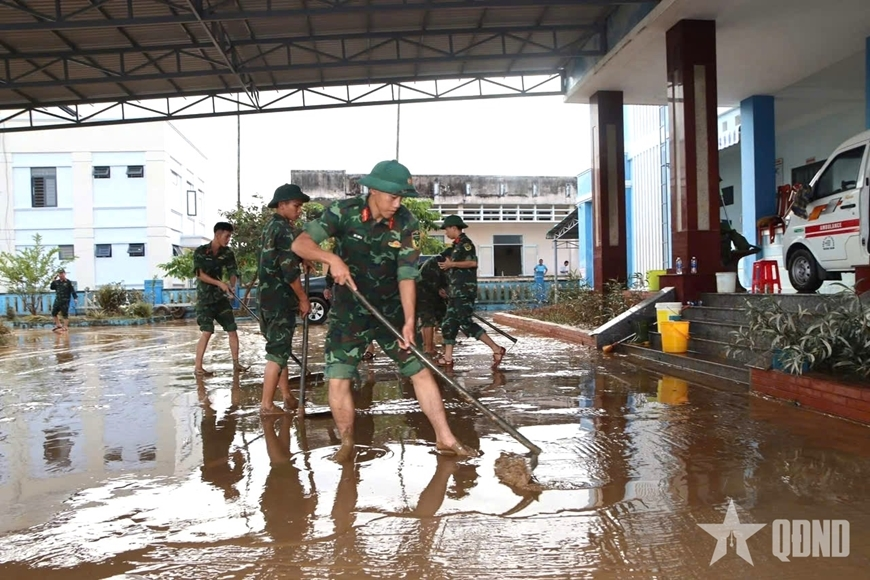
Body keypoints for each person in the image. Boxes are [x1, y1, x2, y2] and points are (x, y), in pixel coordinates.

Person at [291, 159, 478, 462]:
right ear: (374, 190)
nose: (398, 203)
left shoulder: (406, 223)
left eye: (402, 197)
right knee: (338, 377)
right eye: (393, 196)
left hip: (390, 309)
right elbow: (301, 244)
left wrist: (408, 320)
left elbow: (407, 274)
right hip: (350, 311)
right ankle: (348, 442)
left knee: (420, 370)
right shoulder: (344, 211)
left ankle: (445, 438)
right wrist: (331, 258)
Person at [257, 184, 311, 415]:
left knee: (280, 349)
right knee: (278, 353)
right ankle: (267, 405)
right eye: (296, 206)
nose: (299, 211)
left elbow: (277, 258)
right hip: (280, 299)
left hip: (266, 298)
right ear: (282, 205)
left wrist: (303, 259)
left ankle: (287, 395)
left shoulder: (270, 227)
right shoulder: (285, 230)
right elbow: (288, 270)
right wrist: (303, 298)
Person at [436, 215, 506, 369]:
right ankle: (447, 357)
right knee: (449, 323)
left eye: (447, 229)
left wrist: (452, 264)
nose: (446, 233)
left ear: (454, 228)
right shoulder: (455, 246)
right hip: (455, 292)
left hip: (464, 291)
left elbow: (473, 262)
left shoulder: (466, 244)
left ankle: (496, 349)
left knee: (466, 323)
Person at [193, 222, 246, 376]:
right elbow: (199, 274)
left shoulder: (228, 253)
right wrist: (219, 283)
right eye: (227, 236)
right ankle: (198, 367)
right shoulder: (201, 251)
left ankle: (236, 364)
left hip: (220, 298)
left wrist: (232, 285)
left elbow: (232, 272)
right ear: (217, 234)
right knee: (207, 331)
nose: (229, 239)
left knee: (232, 329)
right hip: (205, 299)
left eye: (230, 236)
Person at [417, 256, 448, 356]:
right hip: (423, 294)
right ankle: (428, 348)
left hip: (433, 296)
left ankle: (441, 343)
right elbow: (431, 282)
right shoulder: (435, 263)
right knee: (428, 320)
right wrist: (440, 290)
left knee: (442, 317)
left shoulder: (444, 265)